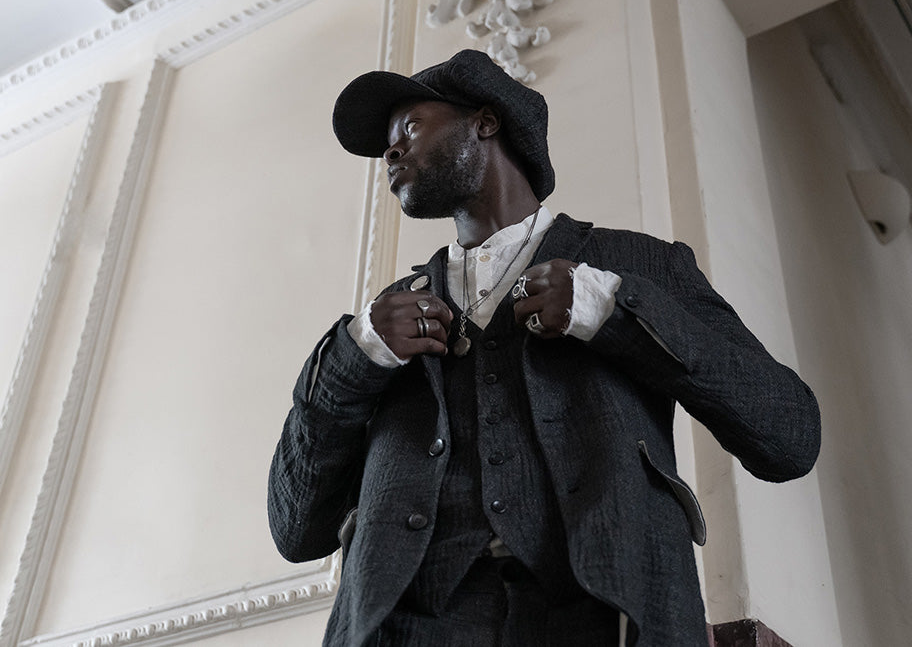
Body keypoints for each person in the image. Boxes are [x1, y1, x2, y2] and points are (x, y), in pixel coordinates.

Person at [267, 49, 820, 647]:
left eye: (411, 127)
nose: (391, 152)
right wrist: (354, 356)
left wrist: (612, 309)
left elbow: (788, 434)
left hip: (604, 618)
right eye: (387, 144)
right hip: (406, 628)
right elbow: (295, 529)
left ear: (485, 121)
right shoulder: (389, 315)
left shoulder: (636, 265)